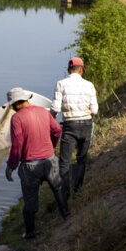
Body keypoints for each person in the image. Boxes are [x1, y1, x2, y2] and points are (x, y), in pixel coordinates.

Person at [4, 87, 70, 239]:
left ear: (15, 104)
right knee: (58, 188)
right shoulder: (43, 112)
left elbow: (17, 145)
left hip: (30, 166)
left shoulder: (17, 118)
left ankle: (30, 233)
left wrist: (11, 166)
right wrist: (51, 146)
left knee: (30, 200)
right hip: (50, 160)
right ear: (26, 99)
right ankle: (66, 216)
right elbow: (57, 131)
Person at [52, 56, 99, 193]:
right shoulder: (89, 85)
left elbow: (55, 109)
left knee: (64, 162)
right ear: (81, 70)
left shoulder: (61, 84)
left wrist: (51, 117)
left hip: (69, 125)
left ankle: (65, 194)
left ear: (69, 70)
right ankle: (78, 189)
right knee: (81, 159)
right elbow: (95, 110)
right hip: (86, 124)